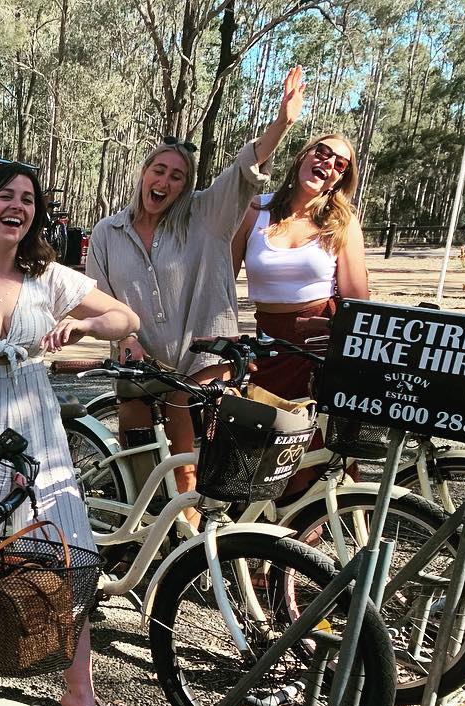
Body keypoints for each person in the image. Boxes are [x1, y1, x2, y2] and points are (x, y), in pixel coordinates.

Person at [0, 159, 139, 706]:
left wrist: (86, 329)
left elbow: (125, 317)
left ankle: (78, 690)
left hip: (38, 429)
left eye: (28, 199)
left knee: (68, 549)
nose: (17, 207)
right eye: (6, 195)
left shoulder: (49, 278)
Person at [87, 67, 307, 499]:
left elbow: (247, 168)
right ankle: (142, 535)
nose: (165, 181)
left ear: (186, 186)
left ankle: (190, 544)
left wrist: (282, 123)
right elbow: (97, 297)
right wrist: (127, 338)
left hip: (200, 358)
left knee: (189, 462)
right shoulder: (106, 233)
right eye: (159, 170)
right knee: (140, 462)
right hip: (138, 358)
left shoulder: (207, 216)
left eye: (177, 176)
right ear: (144, 172)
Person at [232, 132, 369, 399]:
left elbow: (358, 302)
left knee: (312, 432)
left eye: (340, 164)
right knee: (258, 426)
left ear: (340, 180)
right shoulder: (254, 211)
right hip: (267, 343)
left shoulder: (343, 223)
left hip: (319, 343)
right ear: (303, 156)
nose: (328, 163)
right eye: (322, 152)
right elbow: (222, 282)